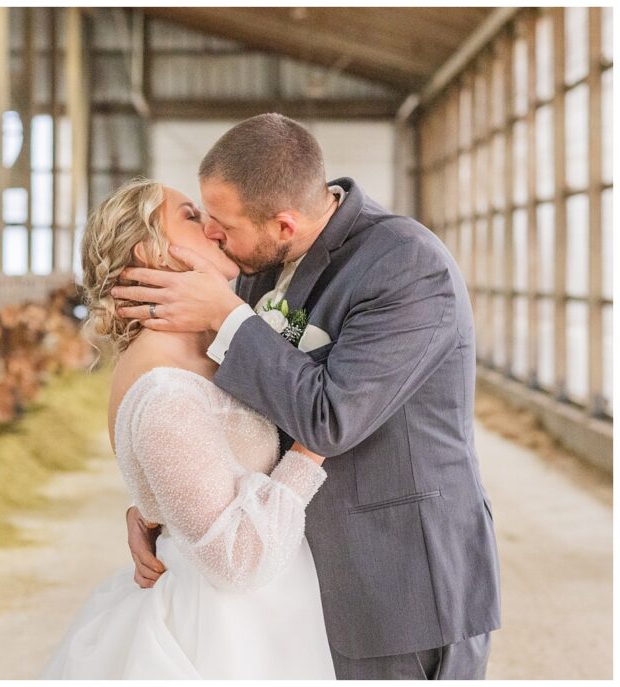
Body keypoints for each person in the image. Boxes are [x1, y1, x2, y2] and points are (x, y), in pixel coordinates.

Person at [112, 113, 501, 679]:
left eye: (222, 223)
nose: (213, 235)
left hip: (399, 581)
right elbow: (239, 411)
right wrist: (168, 506)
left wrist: (228, 317)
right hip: (295, 573)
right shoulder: (256, 263)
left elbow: (328, 418)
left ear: (285, 224)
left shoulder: (407, 267)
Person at [40, 178, 336, 679]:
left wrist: (150, 507)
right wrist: (314, 444)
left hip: (265, 615)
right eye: (192, 217)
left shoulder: (207, 347)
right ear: (151, 253)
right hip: (222, 635)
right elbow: (234, 561)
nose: (215, 229)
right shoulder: (164, 391)